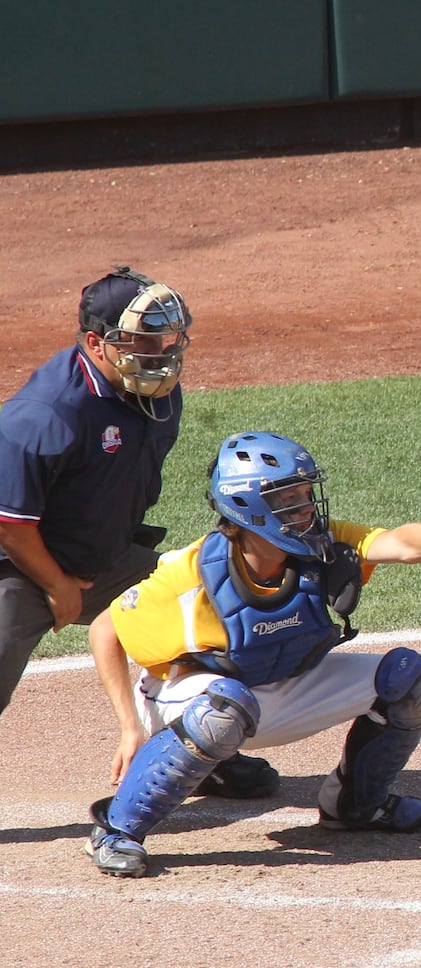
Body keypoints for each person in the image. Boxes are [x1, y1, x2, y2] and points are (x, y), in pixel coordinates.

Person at [83, 430, 421, 877]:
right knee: (223, 710)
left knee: (407, 679)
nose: (306, 508)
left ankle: (355, 806)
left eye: (305, 494)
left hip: (279, 687)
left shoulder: (320, 546)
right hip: (188, 700)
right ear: (248, 506)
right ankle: (117, 828)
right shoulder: (189, 577)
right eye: (289, 499)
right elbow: (106, 627)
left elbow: (400, 544)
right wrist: (128, 727)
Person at [0, 266, 277, 798]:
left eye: (168, 337)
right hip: (18, 565)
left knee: (205, 613)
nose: (162, 351)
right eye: (144, 340)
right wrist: (56, 585)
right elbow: (10, 523)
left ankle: (202, 749)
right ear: (95, 343)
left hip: (107, 557)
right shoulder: (45, 413)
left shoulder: (156, 394)